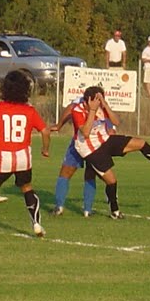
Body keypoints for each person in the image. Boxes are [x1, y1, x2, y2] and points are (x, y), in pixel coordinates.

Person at [71, 85, 150, 219]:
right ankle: (114, 211)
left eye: (101, 99)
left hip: (105, 140)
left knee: (141, 143)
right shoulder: (78, 110)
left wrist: (105, 106)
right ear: (88, 100)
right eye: (97, 100)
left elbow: (116, 122)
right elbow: (86, 133)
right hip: (90, 149)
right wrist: (92, 110)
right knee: (111, 181)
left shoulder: (101, 107)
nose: (99, 103)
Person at [0, 70, 51, 238]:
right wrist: (45, 149)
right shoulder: (30, 110)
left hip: (3, 159)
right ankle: (36, 223)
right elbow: (45, 131)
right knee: (27, 188)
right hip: (23, 158)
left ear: (4, 88)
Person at [50, 85, 105, 217]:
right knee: (67, 173)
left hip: (91, 146)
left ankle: (86, 209)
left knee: (88, 174)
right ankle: (61, 206)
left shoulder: (103, 109)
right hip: (81, 144)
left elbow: (111, 125)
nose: (100, 102)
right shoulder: (79, 107)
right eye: (98, 99)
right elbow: (70, 108)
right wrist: (59, 125)